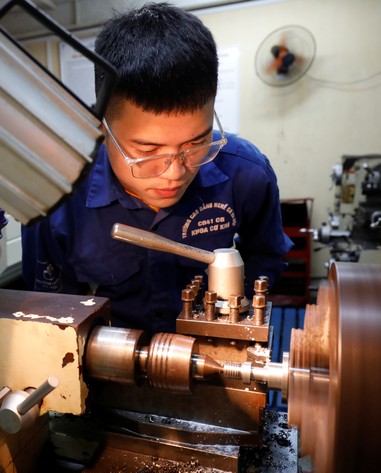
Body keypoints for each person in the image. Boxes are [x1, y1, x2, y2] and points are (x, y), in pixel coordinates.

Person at [22, 3, 293, 335]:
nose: (174, 172)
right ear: (103, 128)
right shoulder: (58, 196)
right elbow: (52, 312)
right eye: (147, 151)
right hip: (109, 362)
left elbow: (267, 258)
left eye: (196, 143)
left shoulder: (246, 175)